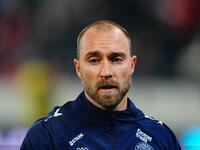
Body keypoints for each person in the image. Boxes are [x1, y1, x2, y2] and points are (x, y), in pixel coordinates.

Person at [20, 20, 181, 150]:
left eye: (116, 59)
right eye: (94, 60)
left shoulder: (160, 137)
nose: (106, 72)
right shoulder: (47, 136)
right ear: (78, 68)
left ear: (132, 65)